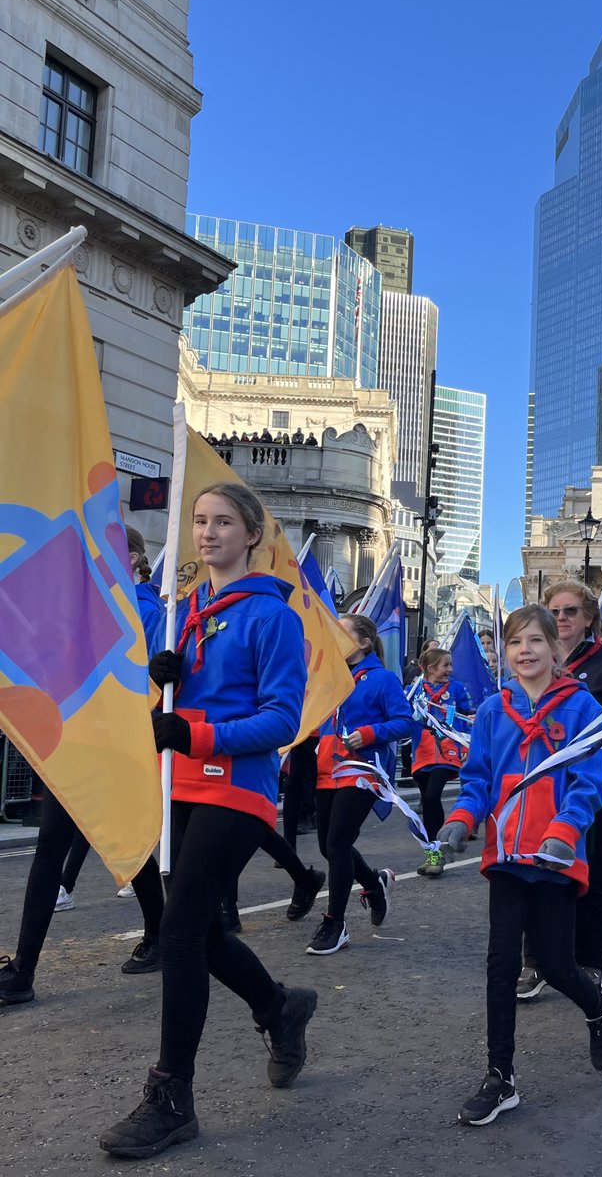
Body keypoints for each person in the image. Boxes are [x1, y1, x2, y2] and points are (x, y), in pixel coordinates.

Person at [99, 482, 317, 1159]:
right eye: (199, 521)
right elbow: (169, 714)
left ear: (253, 534)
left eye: (223, 521)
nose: (208, 531)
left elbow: (282, 720)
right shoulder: (184, 613)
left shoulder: (272, 617)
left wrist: (191, 731)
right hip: (182, 786)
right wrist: (162, 679)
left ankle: (171, 1095)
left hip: (239, 790)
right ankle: (278, 1007)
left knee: (182, 930)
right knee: (192, 930)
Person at [436, 605, 602, 1127]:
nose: (525, 651)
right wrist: (462, 820)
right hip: (507, 857)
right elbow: (478, 778)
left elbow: (588, 781)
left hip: (556, 857)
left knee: (556, 965)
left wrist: (564, 834)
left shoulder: (580, 707)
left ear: (555, 649)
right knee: (501, 964)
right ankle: (501, 1077)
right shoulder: (495, 710)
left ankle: (597, 1006)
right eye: (515, 643)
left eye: (535, 641)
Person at [0, 528, 169, 1007]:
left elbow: (148, 675)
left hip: (117, 740)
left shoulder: (150, 608)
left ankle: (26, 971)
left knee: (109, 840)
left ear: (133, 558)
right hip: (80, 735)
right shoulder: (87, 601)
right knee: (63, 845)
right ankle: (25, 970)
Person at [517, 579, 602, 1000]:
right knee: (538, 875)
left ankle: (591, 962)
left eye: (570, 611)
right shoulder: (533, 659)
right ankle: (537, 961)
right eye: (554, 611)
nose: (562, 618)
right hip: (543, 787)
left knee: (591, 876)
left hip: (597, 789)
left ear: (589, 618)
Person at [308, 614, 414, 955]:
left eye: (343, 631)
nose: (334, 635)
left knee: (338, 843)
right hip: (327, 767)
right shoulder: (331, 676)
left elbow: (405, 722)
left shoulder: (382, 679)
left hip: (361, 769)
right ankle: (374, 883)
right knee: (327, 846)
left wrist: (369, 733)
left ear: (364, 642)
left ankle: (335, 923)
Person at [409, 647, 475, 878]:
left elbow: (467, 715)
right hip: (421, 753)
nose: (450, 669)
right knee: (427, 803)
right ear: (430, 668)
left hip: (447, 751)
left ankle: (438, 850)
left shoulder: (456, 689)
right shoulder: (414, 689)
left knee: (432, 797)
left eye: (450, 665)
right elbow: (402, 714)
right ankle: (433, 852)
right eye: (445, 665)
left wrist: (467, 740)